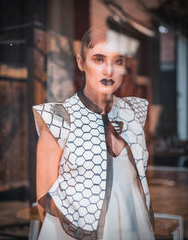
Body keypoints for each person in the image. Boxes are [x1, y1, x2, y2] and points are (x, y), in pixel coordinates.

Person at [33, 27, 155, 240]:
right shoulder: (59, 119)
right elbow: (44, 201)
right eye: (99, 59)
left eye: (118, 61)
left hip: (132, 225)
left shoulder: (133, 113)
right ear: (81, 63)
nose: (109, 71)